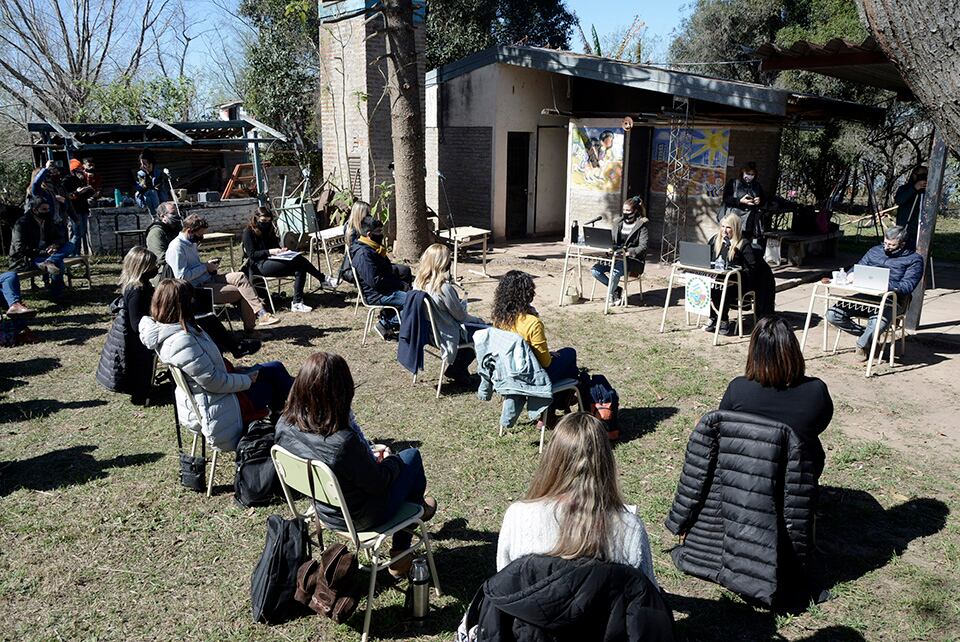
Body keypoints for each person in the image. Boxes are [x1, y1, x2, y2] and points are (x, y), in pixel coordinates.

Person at [275, 351, 437, 577]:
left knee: (402, 468)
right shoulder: (343, 441)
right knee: (411, 458)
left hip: (322, 509)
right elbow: (379, 484)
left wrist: (366, 457)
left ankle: (418, 510)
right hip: (359, 517)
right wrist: (389, 459)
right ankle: (401, 549)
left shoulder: (284, 424)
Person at [496, 413, 658, 584]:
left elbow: (505, 583)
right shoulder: (630, 527)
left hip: (529, 610)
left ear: (552, 460)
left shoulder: (518, 516)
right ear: (606, 463)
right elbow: (647, 593)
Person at [139, 279, 293, 451]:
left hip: (217, 395)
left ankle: (286, 417)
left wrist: (236, 372)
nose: (195, 302)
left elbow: (207, 372)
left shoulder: (171, 330)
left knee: (275, 367)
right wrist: (246, 380)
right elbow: (213, 382)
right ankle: (293, 419)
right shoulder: (181, 341)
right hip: (222, 406)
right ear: (181, 304)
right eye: (191, 298)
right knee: (276, 383)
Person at [720, 315, 833, 461]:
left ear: (754, 352)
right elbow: (818, 425)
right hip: (798, 474)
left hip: (746, 473)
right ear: (793, 349)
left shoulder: (738, 388)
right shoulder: (816, 390)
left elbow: (724, 427)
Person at [166, 214, 280, 331]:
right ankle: (251, 330)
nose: (202, 237)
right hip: (197, 289)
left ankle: (261, 314)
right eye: (200, 234)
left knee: (240, 276)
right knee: (244, 292)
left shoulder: (191, 243)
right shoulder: (177, 247)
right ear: (189, 231)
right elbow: (182, 276)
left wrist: (208, 266)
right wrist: (205, 267)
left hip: (207, 278)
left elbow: (194, 266)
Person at [826, 225, 924, 360]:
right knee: (832, 314)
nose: (887, 247)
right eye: (885, 243)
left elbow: (907, 286)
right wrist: (851, 275)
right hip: (864, 295)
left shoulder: (914, 260)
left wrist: (883, 284)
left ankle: (863, 345)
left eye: (891, 245)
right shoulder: (874, 251)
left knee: (878, 322)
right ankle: (867, 336)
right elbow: (858, 267)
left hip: (892, 300)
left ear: (902, 244)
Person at [413, 243, 486, 385]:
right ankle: (458, 369)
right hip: (446, 334)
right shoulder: (443, 288)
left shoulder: (418, 283)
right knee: (485, 333)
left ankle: (457, 369)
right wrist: (480, 321)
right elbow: (461, 317)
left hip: (427, 333)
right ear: (443, 263)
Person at [241, 206, 335, 312]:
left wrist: (282, 251)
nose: (266, 223)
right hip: (259, 265)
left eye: (268, 221)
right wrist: (270, 252)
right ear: (256, 218)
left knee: (299, 267)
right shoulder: (248, 232)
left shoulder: (269, 230)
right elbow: (252, 254)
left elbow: (275, 246)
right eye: (263, 221)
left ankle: (297, 302)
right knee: (299, 261)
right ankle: (323, 279)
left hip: (272, 260)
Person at [492, 270, 578, 382]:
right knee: (569, 353)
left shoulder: (499, 318)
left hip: (509, 370)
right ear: (528, 294)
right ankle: (567, 393)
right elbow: (546, 363)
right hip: (533, 375)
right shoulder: (533, 323)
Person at [705, 213, 775, 336]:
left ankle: (724, 320)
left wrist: (736, 270)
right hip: (719, 278)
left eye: (728, 227)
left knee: (722, 288)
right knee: (708, 286)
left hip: (739, 283)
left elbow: (752, 268)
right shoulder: (715, 240)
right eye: (722, 227)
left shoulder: (743, 244)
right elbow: (706, 258)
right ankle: (713, 317)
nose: (724, 231)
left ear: (735, 228)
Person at [349, 213, 412, 337]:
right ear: (369, 235)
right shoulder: (363, 254)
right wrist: (400, 284)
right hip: (376, 294)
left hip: (384, 289)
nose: (381, 235)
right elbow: (375, 281)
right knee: (413, 301)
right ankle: (385, 324)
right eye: (378, 232)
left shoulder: (372, 247)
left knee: (412, 288)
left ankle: (392, 319)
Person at [9, 197, 74, 301]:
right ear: (35, 210)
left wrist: (55, 245)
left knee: (70, 245)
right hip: (29, 258)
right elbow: (20, 248)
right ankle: (57, 295)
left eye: (48, 209)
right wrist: (43, 252)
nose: (47, 211)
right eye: (44, 209)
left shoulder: (48, 220)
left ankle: (51, 261)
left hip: (48, 254)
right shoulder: (21, 223)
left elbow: (59, 237)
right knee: (59, 263)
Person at [590, 195, 649, 305]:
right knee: (595, 271)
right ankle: (616, 289)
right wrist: (608, 248)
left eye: (628, 210)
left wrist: (627, 253)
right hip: (614, 257)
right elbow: (612, 240)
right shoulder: (618, 222)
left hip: (631, 259)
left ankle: (611, 296)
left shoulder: (642, 225)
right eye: (624, 210)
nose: (625, 212)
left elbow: (643, 247)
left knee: (615, 272)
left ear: (635, 210)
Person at [722, 162, 765, 243]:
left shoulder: (757, 186)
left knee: (744, 244)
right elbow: (726, 198)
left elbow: (763, 200)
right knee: (731, 242)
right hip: (734, 219)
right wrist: (740, 201)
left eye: (752, 174)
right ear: (742, 172)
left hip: (748, 222)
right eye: (748, 173)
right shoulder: (734, 183)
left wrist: (759, 201)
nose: (750, 176)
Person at [62, 159, 94, 255]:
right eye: (79, 170)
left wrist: (90, 190)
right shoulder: (66, 181)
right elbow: (66, 196)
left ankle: (78, 254)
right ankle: (72, 254)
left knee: (81, 232)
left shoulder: (80, 180)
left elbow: (84, 195)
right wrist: (77, 192)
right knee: (76, 234)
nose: (82, 172)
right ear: (74, 171)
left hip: (83, 209)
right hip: (74, 210)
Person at [145, 202, 182, 284]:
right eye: (173, 213)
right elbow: (160, 257)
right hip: (163, 275)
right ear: (162, 216)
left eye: (176, 213)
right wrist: (182, 257)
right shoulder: (156, 232)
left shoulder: (175, 229)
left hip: (178, 269)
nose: (176, 215)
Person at [894, 165, 927, 250]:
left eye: (925, 175)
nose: (923, 177)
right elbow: (899, 201)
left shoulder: (928, 192)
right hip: (905, 228)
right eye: (921, 175)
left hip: (921, 229)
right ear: (914, 175)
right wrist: (914, 188)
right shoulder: (904, 188)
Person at [135, 150, 168, 217]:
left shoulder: (158, 173)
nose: (142, 166)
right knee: (149, 194)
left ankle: (155, 215)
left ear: (150, 164)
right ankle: (157, 214)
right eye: (141, 163)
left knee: (152, 193)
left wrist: (150, 187)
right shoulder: (141, 174)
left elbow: (159, 186)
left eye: (144, 164)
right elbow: (141, 187)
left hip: (159, 196)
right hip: (145, 196)